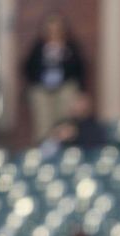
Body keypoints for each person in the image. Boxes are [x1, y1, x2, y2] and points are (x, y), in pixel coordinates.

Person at [23, 13, 85, 142]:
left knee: (65, 107)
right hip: (43, 88)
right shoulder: (39, 48)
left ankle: (64, 140)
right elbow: (27, 68)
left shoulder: (70, 48)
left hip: (64, 87)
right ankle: (45, 143)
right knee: (42, 110)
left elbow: (80, 70)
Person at [39, 92, 106, 159]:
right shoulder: (63, 124)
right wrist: (57, 137)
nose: (76, 106)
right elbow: (43, 149)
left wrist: (74, 135)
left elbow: (96, 148)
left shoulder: (94, 127)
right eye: (74, 103)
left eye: (80, 104)